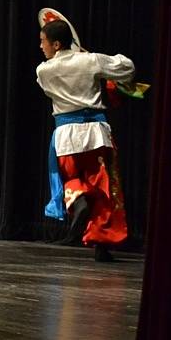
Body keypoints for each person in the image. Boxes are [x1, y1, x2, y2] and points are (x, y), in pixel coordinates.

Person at [37, 19, 134, 261]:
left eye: (43, 41)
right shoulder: (90, 61)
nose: (41, 47)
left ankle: (77, 198)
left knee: (70, 177)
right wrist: (91, 58)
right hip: (96, 133)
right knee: (103, 187)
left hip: (67, 134)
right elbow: (127, 67)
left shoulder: (43, 70)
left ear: (56, 44)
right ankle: (101, 243)